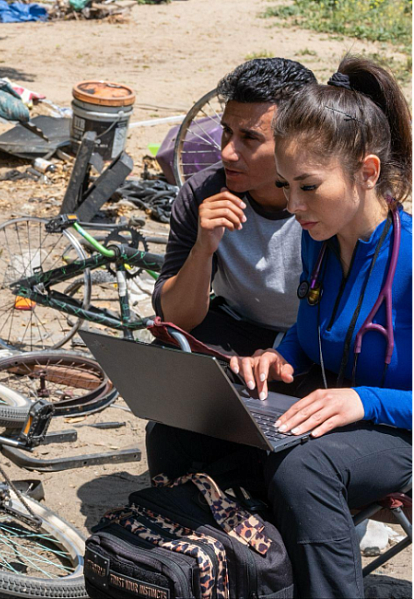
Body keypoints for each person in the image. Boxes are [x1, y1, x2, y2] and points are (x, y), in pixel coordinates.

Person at [148, 56, 413, 598]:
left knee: (305, 470)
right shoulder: (321, 244)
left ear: (367, 173)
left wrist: (365, 401)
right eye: (287, 187)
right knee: (180, 425)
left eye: (308, 187)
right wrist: (277, 355)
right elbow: (306, 330)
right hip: (345, 410)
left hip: (400, 426)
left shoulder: (408, 258)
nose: (293, 206)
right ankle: (217, 573)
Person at [153, 59, 316, 357]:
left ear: (296, 142)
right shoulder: (203, 193)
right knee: (165, 360)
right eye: (227, 132)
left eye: (250, 138)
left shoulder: (329, 200)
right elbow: (177, 318)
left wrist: (285, 355)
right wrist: (203, 249)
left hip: (316, 342)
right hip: (237, 329)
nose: (227, 152)